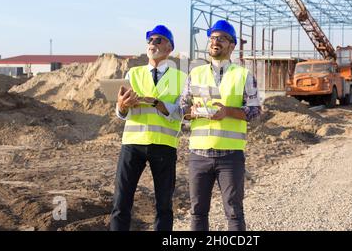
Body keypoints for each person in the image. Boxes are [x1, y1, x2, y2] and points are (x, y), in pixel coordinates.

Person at [180, 20, 261, 231]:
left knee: (234, 212)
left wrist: (228, 111)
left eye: (222, 38)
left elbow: (255, 112)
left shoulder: (244, 75)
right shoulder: (195, 74)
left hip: (230, 156)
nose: (215, 42)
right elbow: (182, 108)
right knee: (197, 213)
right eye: (213, 38)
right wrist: (192, 112)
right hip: (199, 154)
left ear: (231, 46)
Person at [110, 25, 187, 231]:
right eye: (150, 40)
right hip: (132, 144)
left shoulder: (181, 78)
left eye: (158, 40)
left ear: (170, 48)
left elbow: (183, 114)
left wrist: (157, 103)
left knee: (164, 205)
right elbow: (120, 113)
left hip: (164, 145)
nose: (152, 44)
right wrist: (122, 105)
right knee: (121, 202)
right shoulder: (133, 73)